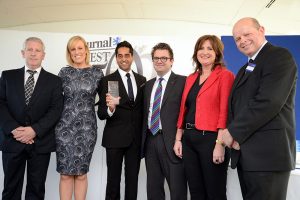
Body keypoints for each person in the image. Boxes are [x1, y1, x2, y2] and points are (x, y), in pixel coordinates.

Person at [221, 17, 298, 200]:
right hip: (248, 155)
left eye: (247, 34)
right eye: (237, 39)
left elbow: (268, 102)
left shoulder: (279, 56)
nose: (242, 40)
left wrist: (233, 132)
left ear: (261, 30)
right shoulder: (245, 69)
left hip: (268, 157)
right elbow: (237, 106)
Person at [0, 37, 63, 200]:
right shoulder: (7, 76)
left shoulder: (55, 81)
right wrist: (15, 130)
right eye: (30, 49)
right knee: (10, 188)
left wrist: (34, 130)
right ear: (23, 53)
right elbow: (1, 104)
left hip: (40, 143)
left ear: (44, 55)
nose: (33, 54)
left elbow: (56, 110)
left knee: (36, 190)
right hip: (12, 141)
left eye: (38, 50)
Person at [174, 35, 235, 199]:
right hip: (189, 140)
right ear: (196, 52)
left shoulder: (225, 75)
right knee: (195, 192)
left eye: (210, 48)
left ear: (217, 53)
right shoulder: (191, 78)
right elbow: (184, 110)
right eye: (201, 48)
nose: (205, 52)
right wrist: (178, 139)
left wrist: (220, 143)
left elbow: (225, 112)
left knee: (215, 192)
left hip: (211, 139)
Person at [55, 35, 104, 200]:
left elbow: (105, 101)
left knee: (81, 174)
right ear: (69, 52)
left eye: (80, 48)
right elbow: (54, 100)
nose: (77, 52)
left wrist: (112, 103)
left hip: (87, 128)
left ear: (86, 50)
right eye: (73, 49)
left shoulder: (97, 73)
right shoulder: (64, 72)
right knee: (65, 175)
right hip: (64, 128)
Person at [97, 41, 146, 200]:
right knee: (113, 181)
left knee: (132, 181)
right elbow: (101, 113)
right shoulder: (108, 80)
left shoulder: (142, 80)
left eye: (127, 55)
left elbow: (142, 109)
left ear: (132, 57)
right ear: (116, 58)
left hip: (135, 139)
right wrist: (111, 109)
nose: (123, 59)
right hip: (115, 138)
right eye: (120, 56)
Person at [141, 43, 187, 200]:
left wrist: (180, 138)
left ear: (172, 61)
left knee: (177, 188)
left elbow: (187, 113)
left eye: (164, 58)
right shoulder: (147, 85)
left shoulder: (183, 82)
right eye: (156, 58)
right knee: (153, 188)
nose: (159, 61)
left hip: (173, 142)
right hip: (150, 140)